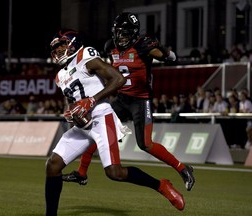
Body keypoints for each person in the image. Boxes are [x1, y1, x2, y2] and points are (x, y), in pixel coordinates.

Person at [45, 29, 185, 216]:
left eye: (62, 45)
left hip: (102, 116)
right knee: (53, 166)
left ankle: (161, 185)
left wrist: (92, 101)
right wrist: (71, 112)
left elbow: (118, 79)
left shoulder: (85, 55)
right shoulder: (60, 75)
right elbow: (72, 101)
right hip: (83, 124)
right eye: (56, 47)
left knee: (114, 172)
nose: (58, 50)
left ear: (73, 43)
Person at [62, 12, 195, 192]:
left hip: (140, 100)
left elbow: (170, 57)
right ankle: (81, 173)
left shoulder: (144, 46)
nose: (121, 36)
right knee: (97, 129)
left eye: (125, 32)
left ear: (133, 33)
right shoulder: (110, 47)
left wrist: (161, 46)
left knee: (145, 144)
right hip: (122, 98)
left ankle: (182, 168)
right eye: (119, 32)